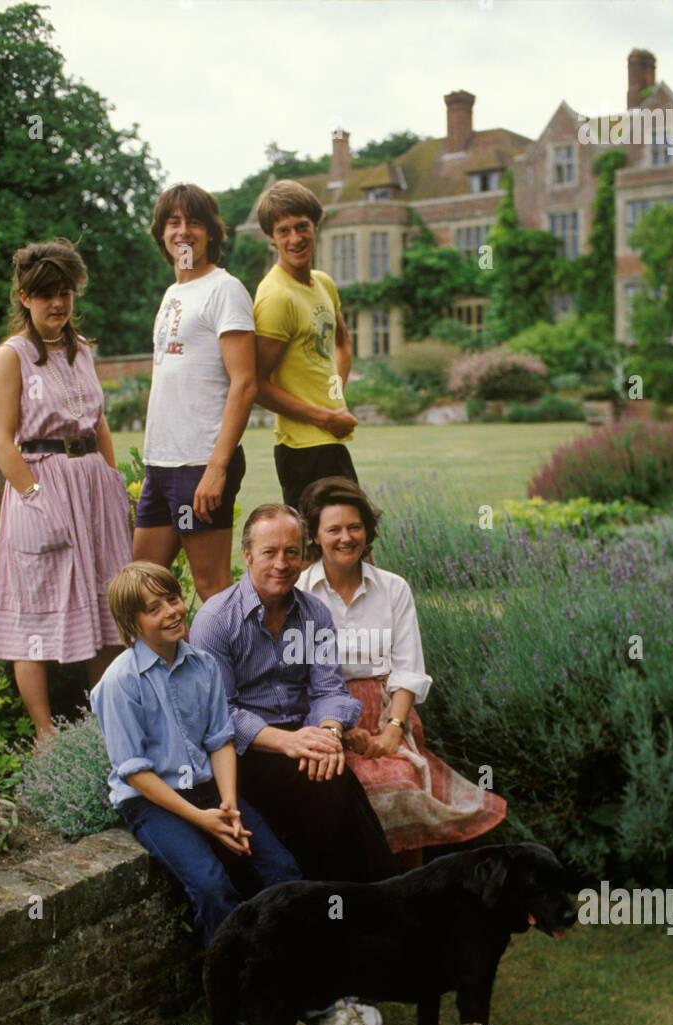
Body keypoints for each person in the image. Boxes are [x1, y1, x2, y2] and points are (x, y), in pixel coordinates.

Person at [190, 503, 399, 1025]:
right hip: (244, 753)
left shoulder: (314, 616)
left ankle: (357, 951)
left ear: (304, 554)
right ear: (246, 555)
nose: (281, 564)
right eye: (269, 552)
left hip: (304, 746)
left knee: (332, 784)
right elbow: (217, 714)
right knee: (326, 795)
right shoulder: (217, 620)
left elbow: (330, 689)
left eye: (292, 552)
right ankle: (357, 955)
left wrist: (328, 731)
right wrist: (290, 742)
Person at [296, 477, 507, 864]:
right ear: (314, 536)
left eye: (355, 527)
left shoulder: (393, 589)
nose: (346, 537)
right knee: (344, 786)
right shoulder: (300, 591)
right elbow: (296, 675)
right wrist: (338, 728)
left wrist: (393, 729)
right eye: (334, 529)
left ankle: (410, 890)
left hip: (387, 708)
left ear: (368, 531)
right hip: (324, 711)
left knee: (401, 782)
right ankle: (356, 890)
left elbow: (408, 667)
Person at [91, 561, 301, 947]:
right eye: (154, 608)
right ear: (132, 623)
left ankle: (289, 969)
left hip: (209, 791)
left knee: (282, 869)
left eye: (172, 599)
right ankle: (233, 992)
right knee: (211, 885)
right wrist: (203, 821)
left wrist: (228, 805)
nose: (171, 611)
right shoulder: (120, 683)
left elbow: (220, 740)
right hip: (152, 802)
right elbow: (135, 772)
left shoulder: (203, 666)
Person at [0, 238, 133, 739]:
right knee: (34, 610)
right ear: (24, 297)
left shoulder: (84, 352)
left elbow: (100, 424)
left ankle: (106, 726)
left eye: (65, 291)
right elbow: (1, 441)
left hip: (93, 488)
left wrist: (113, 481)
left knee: (107, 605)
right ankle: (45, 737)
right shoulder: (13, 356)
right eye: (45, 293)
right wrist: (35, 500)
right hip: (42, 488)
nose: (57, 303)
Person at [135, 184, 256, 600]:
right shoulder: (172, 294)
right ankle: (189, 668)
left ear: (211, 234)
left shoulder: (225, 289)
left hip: (200, 464)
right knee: (143, 588)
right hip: (161, 465)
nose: (183, 231)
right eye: (173, 222)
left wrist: (217, 468)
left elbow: (244, 383)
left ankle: (248, 667)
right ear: (161, 234)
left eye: (194, 222)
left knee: (213, 591)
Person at [253, 180, 360, 510]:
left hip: (329, 439)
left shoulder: (324, 283)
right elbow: (256, 385)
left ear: (316, 225)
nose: (295, 238)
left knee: (355, 542)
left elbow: (342, 344)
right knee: (323, 551)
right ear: (272, 238)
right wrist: (325, 418)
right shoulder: (276, 297)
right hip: (300, 449)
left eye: (302, 227)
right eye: (283, 231)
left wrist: (335, 398)